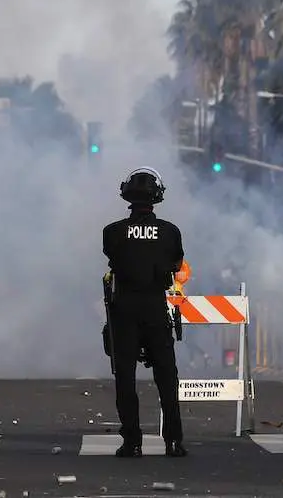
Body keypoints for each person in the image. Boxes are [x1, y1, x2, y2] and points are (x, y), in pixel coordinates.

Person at [103, 167, 187, 458]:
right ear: (157, 196)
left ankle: (132, 442)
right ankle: (173, 441)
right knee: (166, 376)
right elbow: (177, 264)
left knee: (125, 377)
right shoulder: (170, 232)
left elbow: (113, 257)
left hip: (124, 309)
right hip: (154, 307)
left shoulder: (112, 232)